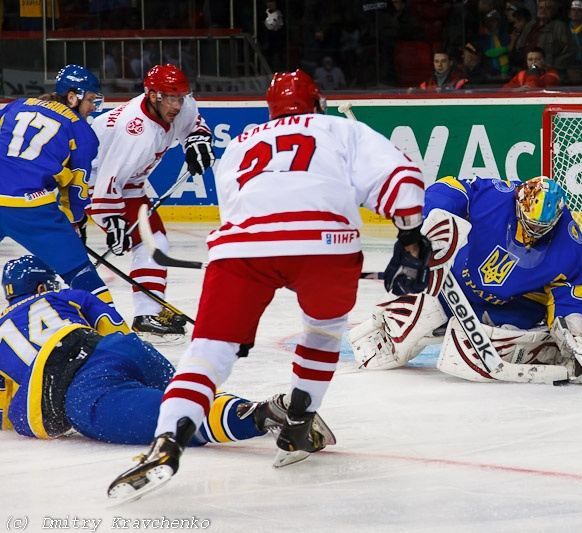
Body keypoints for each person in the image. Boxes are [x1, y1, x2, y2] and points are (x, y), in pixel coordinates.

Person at [107, 69, 427, 502]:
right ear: (317, 103)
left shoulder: (242, 141)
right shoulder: (341, 129)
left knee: (209, 351)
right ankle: (297, 425)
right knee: (322, 333)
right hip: (325, 246)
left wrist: (240, 315)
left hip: (240, 250)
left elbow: (238, 210)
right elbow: (402, 185)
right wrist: (409, 238)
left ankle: (167, 441)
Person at [0, 255, 317, 451]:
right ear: (43, 287)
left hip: (82, 390)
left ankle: (257, 416)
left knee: (168, 421)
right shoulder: (70, 295)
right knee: (181, 394)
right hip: (121, 349)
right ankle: (240, 407)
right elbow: (117, 330)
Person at [349, 175, 582, 385]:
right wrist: (434, 217)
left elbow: (572, 292)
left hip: (512, 307)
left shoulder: (569, 241)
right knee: (411, 320)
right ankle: (392, 323)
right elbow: (452, 188)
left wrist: (576, 333)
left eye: (542, 228)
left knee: (479, 346)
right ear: (518, 203)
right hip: (459, 286)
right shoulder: (497, 197)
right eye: (530, 224)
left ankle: (542, 349)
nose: (533, 232)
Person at [89, 64, 215, 338]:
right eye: (171, 98)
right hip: (87, 183)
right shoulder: (136, 133)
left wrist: (197, 140)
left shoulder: (179, 104)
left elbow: (194, 122)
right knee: (72, 254)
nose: (177, 104)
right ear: (152, 95)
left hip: (129, 184)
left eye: (180, 97)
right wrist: (113, 223)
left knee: (155, 241)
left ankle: (147, 313)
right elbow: (105, 183)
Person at [0, 64, 113, 305]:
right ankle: (116, 335)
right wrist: (75, 221)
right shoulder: (82, 132)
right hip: (28, 208)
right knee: (81, 273)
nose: (93, 107)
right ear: (73, 97)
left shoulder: (16, 106)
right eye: (91, 99)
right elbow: (77, 189)